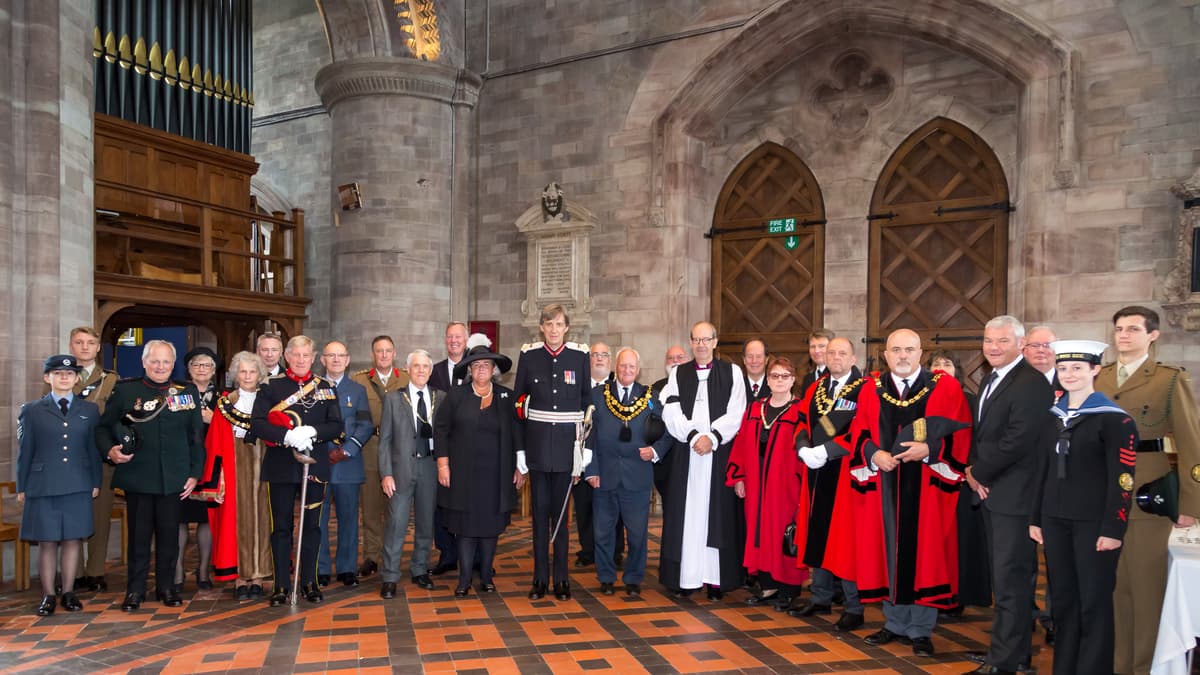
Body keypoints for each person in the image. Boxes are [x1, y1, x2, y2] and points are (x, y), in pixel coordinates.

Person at [847, 328, 972, 657]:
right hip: (884, 487)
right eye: (896, 350)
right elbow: (858, 431)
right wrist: (873, 453)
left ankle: (921, 629)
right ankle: (894, 623)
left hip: (927, 489)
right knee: (887, 551)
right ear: (885, 355)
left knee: (925, 555)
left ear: (921, 354)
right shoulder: (871, 389)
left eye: (909, 349)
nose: (902, 356)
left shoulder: (944, 386)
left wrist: (930, 450)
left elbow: (961, 432)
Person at [1095, 305, 1200, 675]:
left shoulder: (1169, 379)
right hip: (1103, 493)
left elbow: (1191, 444)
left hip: (1147, 495)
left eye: (1133, 329)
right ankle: (1118, 666)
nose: (1123, 335)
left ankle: (1144, 668)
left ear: (1153, 335)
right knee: (1114, 590)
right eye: (1119, 329)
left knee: (1146, 589)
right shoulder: (1100, 377)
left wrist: (1190, 504)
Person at [1030, 340, 1137, 675]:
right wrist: (1036, 518)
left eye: (1077, 368)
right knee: (1064, 603)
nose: (1069, 374)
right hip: (1055, 520)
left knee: (1094, 603)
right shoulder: (1052, 418)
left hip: (1094, 524)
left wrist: (1114, 528)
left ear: (1095, 370)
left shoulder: (1115, 420)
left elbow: (1122, 480)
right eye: (1063, 368)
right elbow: (1041, 471)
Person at [962, 316, 1054, 675]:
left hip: (1015, 497)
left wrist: (979, 473)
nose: (993, 347)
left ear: (1020, 344)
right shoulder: (991, 378)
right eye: (988, 340)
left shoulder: (1031, 382)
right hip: (992, 492)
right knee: (1005, 581)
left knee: (1011, 582)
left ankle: (1004, 662)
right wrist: (972, 469)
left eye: (1002, 341)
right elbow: (982, 434)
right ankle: (1012, 653)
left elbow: (1019, 439)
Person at [97, 340, 205, 611]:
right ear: (144, 362)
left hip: (174, 477)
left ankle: (166, 587)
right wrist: (110, 451)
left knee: (170, 538)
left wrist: (195, 473)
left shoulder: (187, 392)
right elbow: (103, 428)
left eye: (166, 361)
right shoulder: (126, 390)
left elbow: (195, 436)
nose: (160, 366)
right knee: (139, 538)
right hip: (139, 476)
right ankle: (135, 590)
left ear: (173, 364)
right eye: (154, 361)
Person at [250, 335, 344, 606]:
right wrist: (286, 436)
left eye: (306, 355)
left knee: (312, 527)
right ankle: (280, 585)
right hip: (281, 465)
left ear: (313, 358)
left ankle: (309, 582)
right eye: (296, 355)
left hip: (315, 465)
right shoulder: (271, 386)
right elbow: (257, 424)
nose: (301, 360)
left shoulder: (325, 387)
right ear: (287, 357)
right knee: (281, 528)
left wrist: (313, 431)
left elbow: (336, 426)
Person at [659, 321, 747, 600]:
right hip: (687, 455)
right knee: (686, 517)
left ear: (715, 342)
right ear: (691, 342)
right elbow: (671, 412)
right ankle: (687, 578)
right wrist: (695, 435)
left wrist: (713, 437)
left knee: (717, 516)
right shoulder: (678, 373)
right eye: (696, 340)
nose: (701, 345)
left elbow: (737, 412)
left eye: (706, 339)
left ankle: (715, 580)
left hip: (717, 455)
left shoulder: (732, 372)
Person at [514, 304, 591, 601]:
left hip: (566, 452)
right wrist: (521, 452)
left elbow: (587, 406)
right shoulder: (529, 356)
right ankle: (539, 579)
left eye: (559, 324)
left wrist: (583, 453)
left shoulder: (579, 356)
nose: (554, 329)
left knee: (561, 519)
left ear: (566, 327)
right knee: (538, 519)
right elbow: (519, 405)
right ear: (542, 327)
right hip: (537, 450)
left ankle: (561, 579)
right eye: (549, 324)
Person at [435, 345, 525, 598]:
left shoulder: (506, 397)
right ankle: (464, 579)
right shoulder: (456, 395)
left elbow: (517, 432)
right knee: (465, 528)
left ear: (494, 369)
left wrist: (520, 466)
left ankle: (486, 577)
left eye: (486, 365)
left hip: (496, 475)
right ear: (469, 370)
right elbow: (440, 430)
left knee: (490, 526)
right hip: (462, 474)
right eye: (476, 365)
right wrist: (443, 464)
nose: (481, 369)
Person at [583, 348, 672, 597]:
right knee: (602, 533)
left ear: (638, 370)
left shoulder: (650, 397)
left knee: (637, 534)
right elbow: (587, 435)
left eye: (632, 366)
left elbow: (668, 431)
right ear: (616, 367)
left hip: (637, 476)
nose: (627, 370)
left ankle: (633, 578)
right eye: (623, 365)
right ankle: (606, 577)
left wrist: (655, 451)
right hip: (604, 475)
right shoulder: (598, 395)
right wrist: (590, 470)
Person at [791, 337, 866, 631]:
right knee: (817, 533)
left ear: (853, 358)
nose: (835, 357)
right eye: (831, 352)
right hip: (816, 473)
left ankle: (854, 607)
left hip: (845, 473)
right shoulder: (815, 388)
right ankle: (820, 597)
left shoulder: (864, 390)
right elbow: (801, 422)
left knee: (846, 541)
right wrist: (803, 447)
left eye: (841, 353)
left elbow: (863, 430)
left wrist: (828, 450)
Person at [18, 355, 102, 616]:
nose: (64, 377)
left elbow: (93, 449)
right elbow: (25, 451)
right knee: (47, 541)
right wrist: (22, 486)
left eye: (69, 374)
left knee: (73, 539)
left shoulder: (89, 410)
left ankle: (68, 592)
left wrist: (95, 481)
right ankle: (48, 595)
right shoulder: (31, 410)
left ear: (76, 379)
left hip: (78, 482)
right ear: (47, 378)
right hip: (43, 484)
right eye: (57, 373)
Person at [726, 356, 807, 609]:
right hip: (756, 482)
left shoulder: (801, 410)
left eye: (785, 376)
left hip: (786, 484)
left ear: (793, 380)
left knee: (783, 533)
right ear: (768, 380)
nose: (779, 380)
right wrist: (738, 477)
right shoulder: (754, 409)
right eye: (774, 376)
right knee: (759, 532)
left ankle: (789, 589)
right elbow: (740, 445)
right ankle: (768, 586)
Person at [197, 351, 272, 601]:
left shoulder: (269, 401)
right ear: (235, 374)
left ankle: (258, 575)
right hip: (233, 468)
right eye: (243, 371)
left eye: (252, 371)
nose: (248, 376)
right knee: (235, 522)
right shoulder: (225, 404)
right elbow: (215, 443)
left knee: (263, 520)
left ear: (259, 374)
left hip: (265, 467)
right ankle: (240, 576)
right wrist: (217, 480)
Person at [927, 350, 991, 614]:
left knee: (960, 541)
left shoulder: (970, 400)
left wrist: (968, 468)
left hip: (961, 479)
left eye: (947, 364)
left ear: (957, 371)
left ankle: (957, 596)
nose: (941, 368)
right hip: (928, 480)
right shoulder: (920, 399)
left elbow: (979, 439)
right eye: (936, 364)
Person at [379, 349, 443, 599]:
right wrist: (386, 473)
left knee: (426, 522)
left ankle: (419, 569)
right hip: (400, 470)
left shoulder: (440, 398)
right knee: (396, 524)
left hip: (429, 467)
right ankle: (390, 576)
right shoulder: (393, 399)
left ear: (431, 370)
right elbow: (384, 440)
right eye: (416, 366)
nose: (421, 371)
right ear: (407, 369)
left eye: (425, 366)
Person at [63, 327, 119, 593]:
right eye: (79, 342)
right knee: (71, 514)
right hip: (68, 458)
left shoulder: (111, 380)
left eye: (90, 342)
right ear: (71, 346)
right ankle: (74, 572)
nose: (85, 347)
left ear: (98, 347)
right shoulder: (60, 376)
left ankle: (96, 571)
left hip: (99, 455)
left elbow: (115, 418)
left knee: (100, 515)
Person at [351, 335, 410, 578]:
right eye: (379, 351)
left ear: (394, 354)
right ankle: (371, 556)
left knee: (395, 507)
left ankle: (390, 554)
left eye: (388, 351)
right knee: (371, 506)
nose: (384, 355)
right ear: (372, 354)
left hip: (398, 450)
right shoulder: (359, 380)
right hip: (370, 448)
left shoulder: (406, 378)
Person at [317, 341, 373, 587]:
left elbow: (365, 425)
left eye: (341, 355)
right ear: (322, 360)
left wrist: (347, 450)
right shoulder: (312, 388)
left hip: (347, 464)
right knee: (317, 519)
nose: (336, 359)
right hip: (319, 462)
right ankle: (319, 568)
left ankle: (347, 568)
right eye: (331, 355)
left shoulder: (357, 391)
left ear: (348, 360)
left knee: (349, 519)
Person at [1019, 324, 1060, 643]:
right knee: (1021, 556)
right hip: (1020, 483)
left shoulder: (1070, 382)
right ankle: (1025, 612)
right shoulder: (1012, 383)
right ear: (1023, 349)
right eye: (1035, 345)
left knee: (1058, 555)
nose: (1041, 351)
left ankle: (1056, 617)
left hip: (1059, 481)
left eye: (1047, 346)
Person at [575, 341, 624, 569]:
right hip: (583, 456)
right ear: (588, 360)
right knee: (584, 506)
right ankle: (588, 550)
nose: (599, 359)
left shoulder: (619, 388)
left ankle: (615, 551)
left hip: (611, 459)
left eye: (604, 355)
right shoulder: (578, 389)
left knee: (614, 507)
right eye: (595, 355)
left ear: (610, 360)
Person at [176, 346, 219, 593]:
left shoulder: (224, 396)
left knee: (206, 518)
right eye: (196, 364)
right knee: (179, 517)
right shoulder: (178, 393)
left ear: (214, 370)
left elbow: (233, 428)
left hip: (212, 464)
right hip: (182, 462)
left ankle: (203, 570)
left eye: (207, 365)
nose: (201, 369)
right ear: (188, 369)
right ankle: (177, 569)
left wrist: (214, 420)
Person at [429, 321, 468, 576]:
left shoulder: (477, 367)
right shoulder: (434, 371)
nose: (454, 341)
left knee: (470, 501)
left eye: (458, 337)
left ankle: (475, 556)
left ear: (466, 340)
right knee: (440, 503)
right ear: (445, 340)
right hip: (441, 445)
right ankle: (447, 554)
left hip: (469, 448)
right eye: (450, 337)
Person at [652, 344, 689, 505]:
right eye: (670, 358)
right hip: (665, 460)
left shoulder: (698, 385)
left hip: (689, 455)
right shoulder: (655, 388)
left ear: (688, 360)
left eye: (679, 357)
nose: (675, 361)